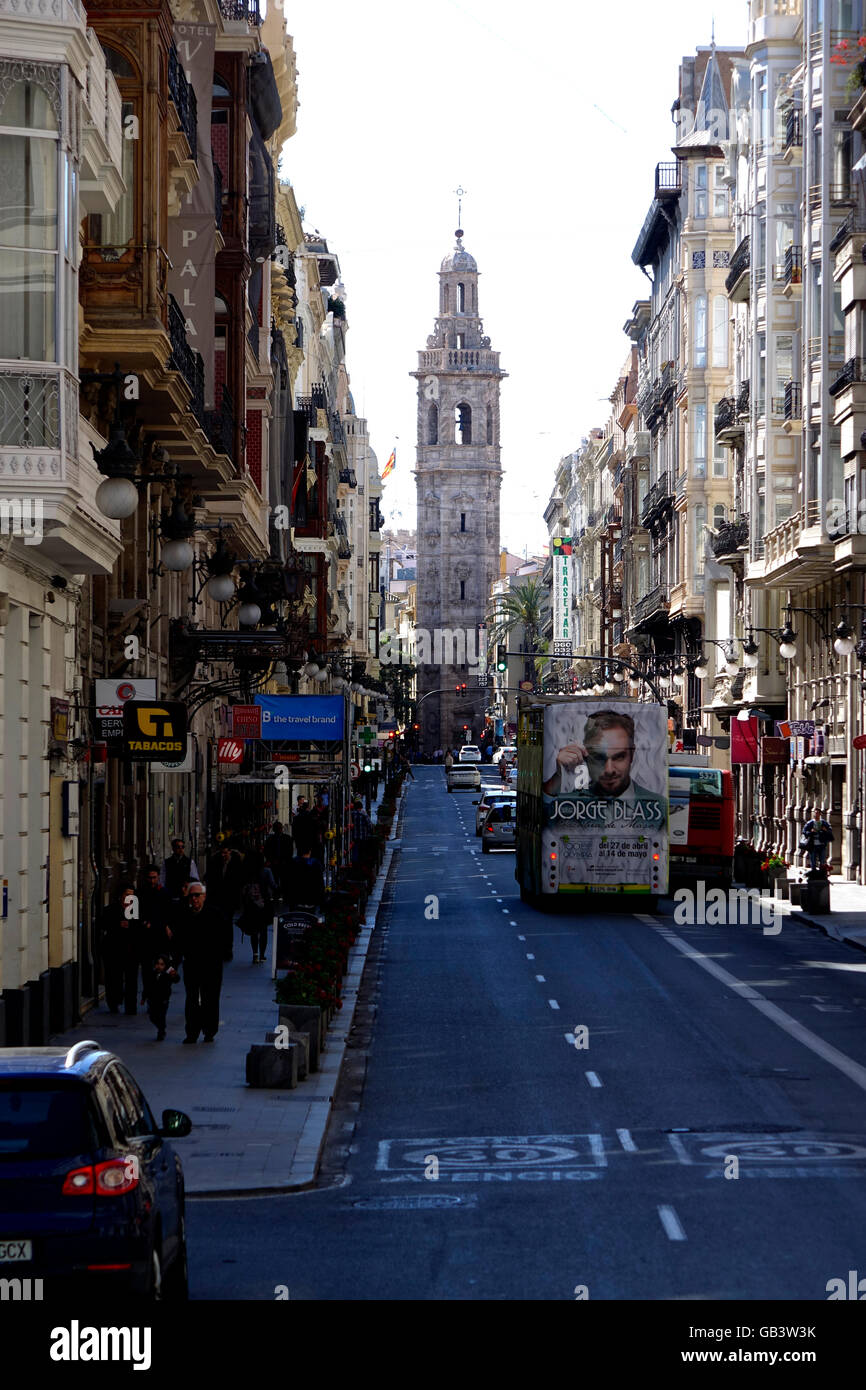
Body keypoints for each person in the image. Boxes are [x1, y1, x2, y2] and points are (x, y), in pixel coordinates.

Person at [542, 710, 659, 801]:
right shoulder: (573, 801)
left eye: (619, 757)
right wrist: (559, 775)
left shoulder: (657, 806)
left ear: (632, 754)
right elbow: (545, 816)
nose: (609, 770)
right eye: (599, 757)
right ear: (586, 754)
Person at [173, 881, 230, 1043]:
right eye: (191, 896)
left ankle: (210, 1030)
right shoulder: (184, 915)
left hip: (212, 964)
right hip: (192, 963)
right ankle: (192, 1032)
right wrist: (175, 963)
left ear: (204, 896)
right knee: (191, 998)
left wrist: (222, 953)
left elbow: (225, 935)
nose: (194, 899)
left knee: (210, 997)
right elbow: (178, 941)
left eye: (197, 895)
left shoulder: (215, 914)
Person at [101, 884, 142, 1015]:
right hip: (114, 950)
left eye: (132, 895)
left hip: (131, 950)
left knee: (131, 980)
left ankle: (131, 1007)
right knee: (114, 978)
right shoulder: (111, 909)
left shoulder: (135, 911)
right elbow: (103, 925)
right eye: (126, 895)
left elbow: (139, 928)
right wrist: (117, 924)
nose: (129, 898)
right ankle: (114, 1003)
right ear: (121, 896)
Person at [239, 850, 277, 963]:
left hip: (251, 904)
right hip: (264, 903)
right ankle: (262, 955)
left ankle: (255, 953)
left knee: (254, 929)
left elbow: (242, 887)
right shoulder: (266, 871)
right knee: (263, 929)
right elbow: (273, 885)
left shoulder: (247, 872)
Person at [142, 953, 180, 1041]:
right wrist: (144, 997)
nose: (159, 966)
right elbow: (147, 986)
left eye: (162, 964)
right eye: (157, 964)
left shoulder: (167, 974)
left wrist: (172, 972)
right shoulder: (152, 974)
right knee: (152, 1016)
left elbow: (176, 979)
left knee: (161, 1015)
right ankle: (160, 1027)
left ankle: (161, 1031)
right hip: (152, 999)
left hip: (163, 999)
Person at [205, 843, 245, 919]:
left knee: (229, 918)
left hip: (231, 896)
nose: (223, 855)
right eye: (222, 853)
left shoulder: (236, 863)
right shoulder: (217, 862)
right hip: (220, 896)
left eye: (225, 853)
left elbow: (239, 880)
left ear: (230, 852)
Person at [285, 844, 326, 910]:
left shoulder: (292, 863)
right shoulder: (315, 863)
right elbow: (320, 882)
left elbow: (287, 882)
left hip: (296, 899)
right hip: (311, 899)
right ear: (310, 851)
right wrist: (322, 901)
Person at [802, 806, 834, 873]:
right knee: (813, 860)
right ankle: (813, 872)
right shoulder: (810, 823)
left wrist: (825, 830)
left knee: (822, 860)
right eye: (815, 813)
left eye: (818, 813)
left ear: (820, 814)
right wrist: (811, 832)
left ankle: (822, 873)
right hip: (813, 844)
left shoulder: (824, 823)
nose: (816, 814)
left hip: (822, 844)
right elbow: (804, 831)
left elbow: (830, 831)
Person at [263, 821, 292, 891]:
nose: (279, 830)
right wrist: (271, 860)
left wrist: (285, 861)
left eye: (280, 828)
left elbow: (290, 851)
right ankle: (277, 894)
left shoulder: (287, 838)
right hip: (274, 863)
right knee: (275, 881)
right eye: (277, 828)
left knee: (284, 881)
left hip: (284, 863)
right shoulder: (270, 839)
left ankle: (282, 894)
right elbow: (266, 851)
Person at [351, 796, 373, 863]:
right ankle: (362, 863)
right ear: (361, 807)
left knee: (355, 850)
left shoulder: (351, 814)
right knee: (363, 851)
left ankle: (355, 862)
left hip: (354, 836)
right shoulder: (364, 814)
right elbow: (369, 825)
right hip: (363, 837)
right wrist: (370, 832)